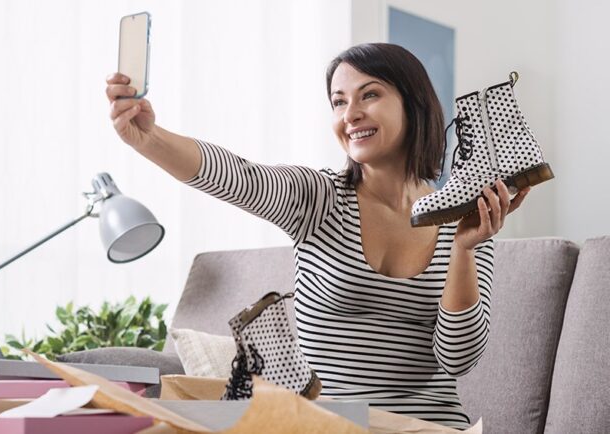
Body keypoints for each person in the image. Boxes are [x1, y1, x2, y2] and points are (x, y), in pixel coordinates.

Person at [105, 42, 529, 429]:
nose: (350, 114)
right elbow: (236, 176)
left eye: (370, 95)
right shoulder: (319, 198)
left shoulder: (466, 219)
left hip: (428, 428)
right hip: (330, 426)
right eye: (338, 102)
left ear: (413, 104)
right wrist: (149, 138)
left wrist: (463, 249)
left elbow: (459, 359)